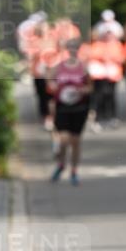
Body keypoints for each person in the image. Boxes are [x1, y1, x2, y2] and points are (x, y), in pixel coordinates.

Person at [47, 38, 92, 185]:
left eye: (75, 48)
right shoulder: (58, 67)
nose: (72, 51)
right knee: (64, 139)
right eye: (70, 48)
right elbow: (49, 81)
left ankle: (74, 171)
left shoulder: (83, 68)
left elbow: (90, 87)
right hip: (63, 107)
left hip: (79, 108)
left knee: (76, 141)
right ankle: (61, 164)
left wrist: (82, 90)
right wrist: (53, 85)